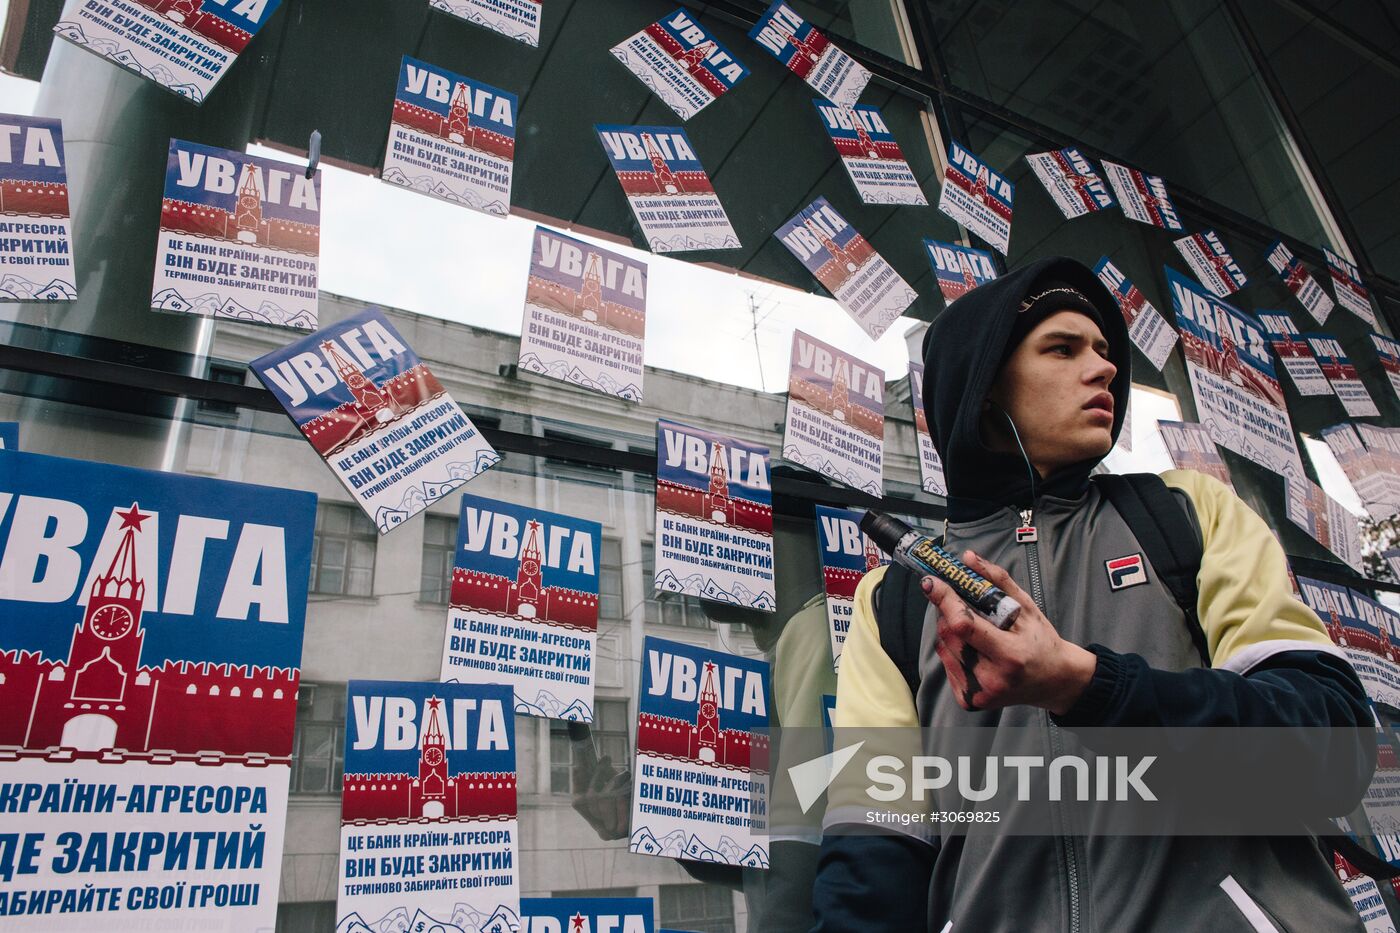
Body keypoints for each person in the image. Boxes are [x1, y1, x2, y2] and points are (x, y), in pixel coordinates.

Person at [810, 256, 1376, 932]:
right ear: (986, 385)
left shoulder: (1186, 514)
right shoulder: (893, 601)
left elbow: (1332, 749)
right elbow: (873, 867)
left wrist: (1092, 689)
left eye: (1105, 350)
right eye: (1063, 348)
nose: (1105, 367)